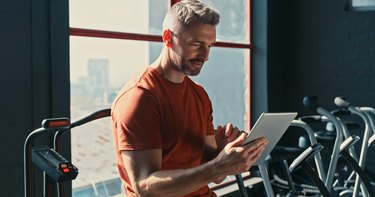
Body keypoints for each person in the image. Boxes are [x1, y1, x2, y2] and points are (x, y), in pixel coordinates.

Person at [111, 0, 268, 196]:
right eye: (196, 44)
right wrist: (217, 167)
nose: (205, 55)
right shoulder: (140, 97)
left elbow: (215, 176)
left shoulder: (199, 95)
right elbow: (144, 187)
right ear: (168, 38)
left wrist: (224, 154)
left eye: (210, 46)